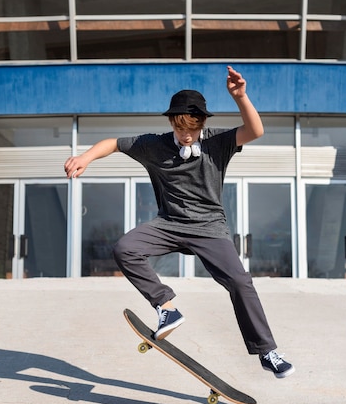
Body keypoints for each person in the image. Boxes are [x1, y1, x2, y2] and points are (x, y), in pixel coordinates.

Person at [64, 66, 294, 378]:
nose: (186, 134)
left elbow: (255, 131)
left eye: (193, 128)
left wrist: (241, 97)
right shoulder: (153, 145)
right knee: (125, 248)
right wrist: (86, 157)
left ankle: (267, 352)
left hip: (209, 228)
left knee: (240, 282)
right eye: (180, 127)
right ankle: (166, 308)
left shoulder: (217, 143)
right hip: (168, 224)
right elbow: (114, 142)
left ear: (202, 124)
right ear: (172, 122)